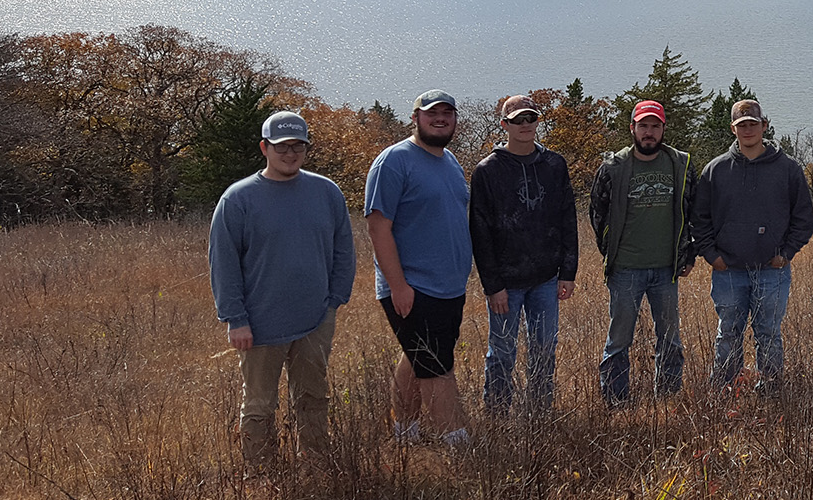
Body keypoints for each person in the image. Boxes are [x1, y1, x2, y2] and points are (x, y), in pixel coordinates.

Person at [207, 110, 356, 466]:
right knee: (259, 405)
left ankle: (317, 463)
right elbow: (223, 263)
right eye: (281, 147)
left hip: (316, 318)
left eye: (298, 146)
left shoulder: (326, 192)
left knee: (314, 396)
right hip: (259, 323)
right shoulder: (238, 199)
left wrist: (334, 301)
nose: (290, 154)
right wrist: (235, 319)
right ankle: (261, 473)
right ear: (264, 147)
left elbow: (343, 249)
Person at [365, 89, 474, 444]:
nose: (440, 118)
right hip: (414, 285)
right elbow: (378, 226)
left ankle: (404, 432)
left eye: (447, 112)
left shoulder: (450, 161)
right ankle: (456, 442)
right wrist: (398, 286)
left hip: (449, 285)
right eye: (431, 113)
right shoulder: (394, 161)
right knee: (436, 364)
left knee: (416, 357)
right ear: (415, 118)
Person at [468, 94, 578, 417]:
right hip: (506, 283)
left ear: (537, 122)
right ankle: (498, 416)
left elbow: (567, 218)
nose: (525, 125)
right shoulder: (487, 171)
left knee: (544, 350)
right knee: (502, 352)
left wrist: (568, 272)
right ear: (504, 125)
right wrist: (492, 285)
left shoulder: (554, 165)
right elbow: (480, 232)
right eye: (517, 120)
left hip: (546, 278)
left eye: (530, 118)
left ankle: (539, 414)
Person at [694, 99, 813, 390]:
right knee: (728, 334)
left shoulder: (787, 169)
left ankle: (772, 390)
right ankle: (724, 390)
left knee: (769, 334)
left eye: (753, 124)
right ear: (733, 129)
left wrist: (786, 254)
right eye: (741, 125)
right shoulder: (716, 170)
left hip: (772, 271)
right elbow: (699, 219)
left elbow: (804, 218)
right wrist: (712, 256)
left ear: (764, 125)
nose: (747, 130)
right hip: (729, 271)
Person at [590, 100, 695, 404]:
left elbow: (693, 210)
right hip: (626, 270)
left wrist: (688, 255)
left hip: (666, 270)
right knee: (619, 340)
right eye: (644, 126)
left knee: (670, 338)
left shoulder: (680, 164)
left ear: (663, 129)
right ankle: (616, 402)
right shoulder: (614, 167)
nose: (649, 132)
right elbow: (597, 212)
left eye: (655, 126)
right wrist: (611, 252)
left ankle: (668, 398)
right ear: (632, 128)